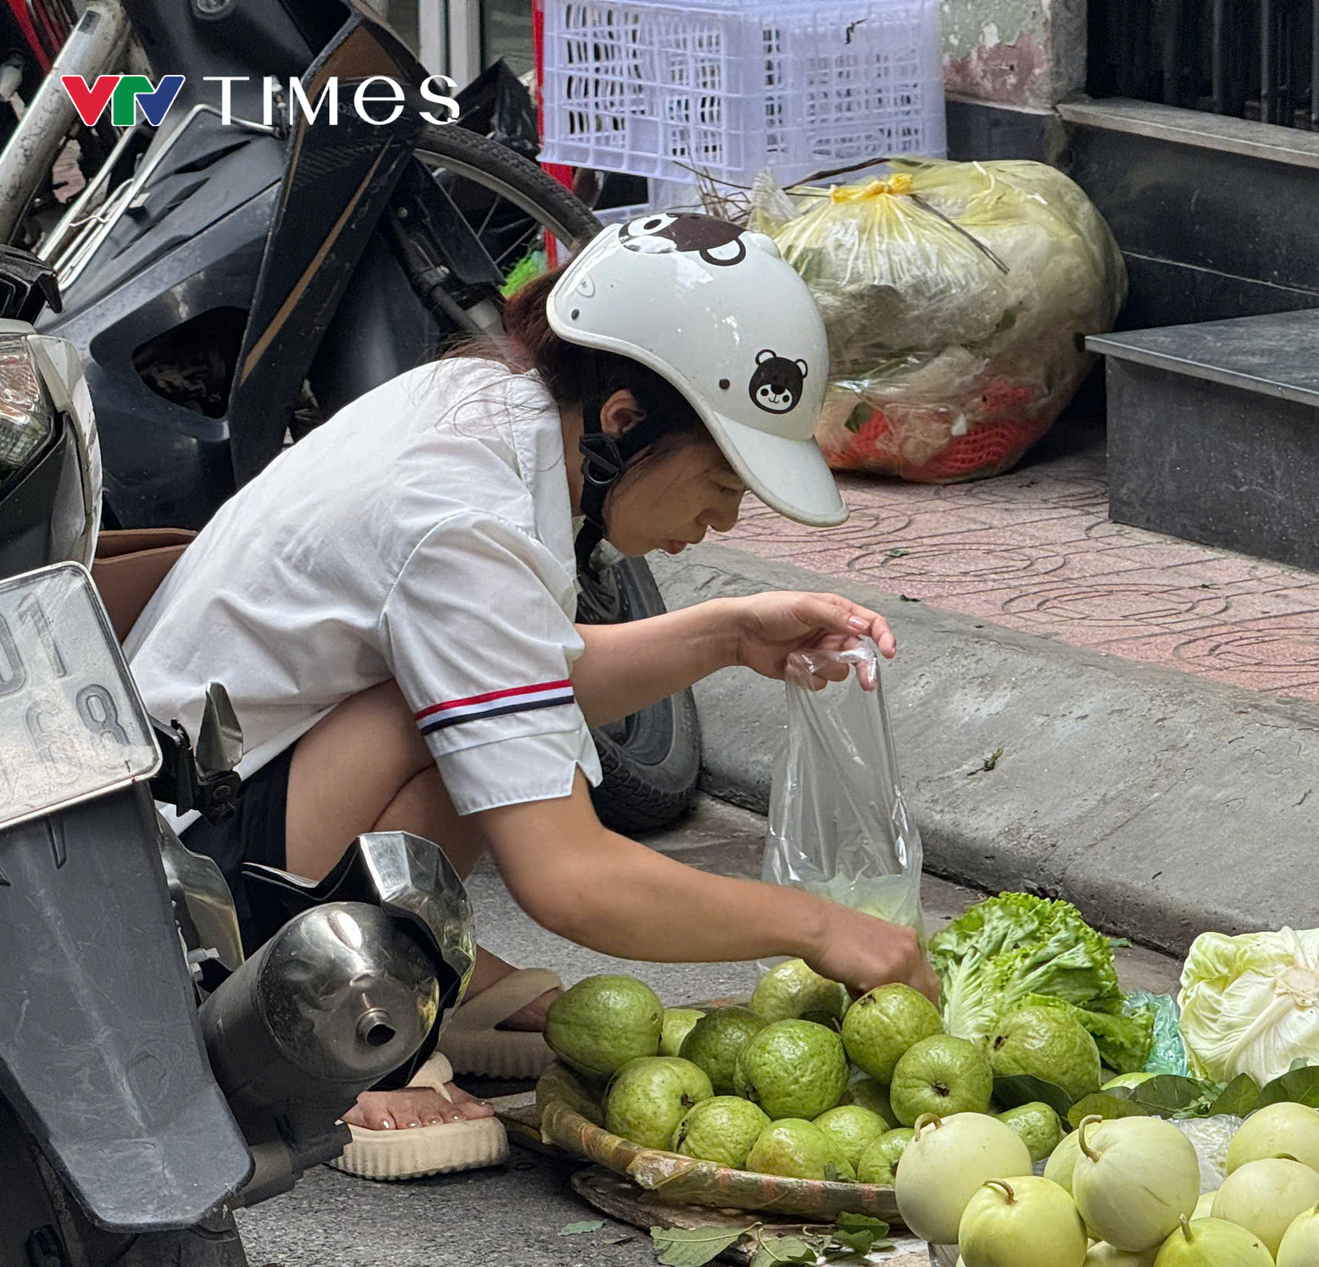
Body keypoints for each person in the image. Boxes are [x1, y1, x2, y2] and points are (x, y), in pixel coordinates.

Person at [125, 213, 937, 1181]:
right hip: (177, 899)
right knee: (435, 720)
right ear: (624, 420)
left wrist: (728, 635)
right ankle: (331, 1027)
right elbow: (567, 877)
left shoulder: (496, 407)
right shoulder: (466, 518)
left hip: (204, 811)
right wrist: (822, 926)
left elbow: (518, 673)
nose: (721, 519)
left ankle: (417, 964)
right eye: (721, 481)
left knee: (481, 714)